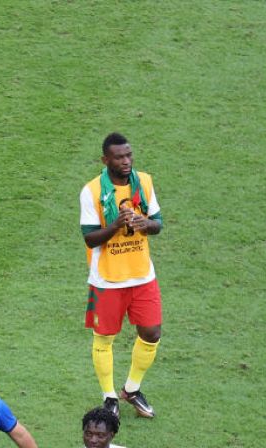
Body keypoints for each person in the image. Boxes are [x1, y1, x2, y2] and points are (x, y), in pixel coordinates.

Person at [80, 132, 164, 418]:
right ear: (106, 160)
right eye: (119, 157)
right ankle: (109, 397)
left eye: (129, 155)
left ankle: (132, 389)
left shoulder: (145, 182)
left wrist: (145, 223)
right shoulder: (92, 191)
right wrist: (116, 225)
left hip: (142, 275)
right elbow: (90, 239)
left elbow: (158, 224)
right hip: (107, 279)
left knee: (152, 332)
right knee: (104, 337)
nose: (126, 161)